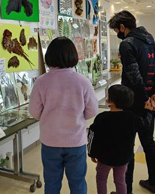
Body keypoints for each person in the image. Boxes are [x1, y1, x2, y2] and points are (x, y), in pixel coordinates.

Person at [108, 10, 155, 194]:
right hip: (149, 103)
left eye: (117, 29)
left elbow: (134, 76)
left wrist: (143, 99)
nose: (118, 34)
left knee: (128, 145)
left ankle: (127, 190)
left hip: (133, 103)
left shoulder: (127, 44)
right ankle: (154, 183)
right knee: (148, 141)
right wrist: (154, 95)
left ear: (123, 27)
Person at [29, 37, 98, 194]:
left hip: (50, 142)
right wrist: (76, 116)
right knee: (78, 183)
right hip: (76, 142)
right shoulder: (82, 81)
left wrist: (49, 117)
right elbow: (92, 110)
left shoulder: (41, 82)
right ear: (73, 55)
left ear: (49, 57)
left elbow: (34, 111)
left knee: (52, 183)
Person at [87, 85, 154, 194]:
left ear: (110, 101)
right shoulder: (132, 118)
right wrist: (148, 111)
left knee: (101, 179)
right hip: (124, 157)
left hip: (104, 158)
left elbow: (92, 136)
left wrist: (92, 153)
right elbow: (145, 124)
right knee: (120, 181)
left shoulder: (102, 117)